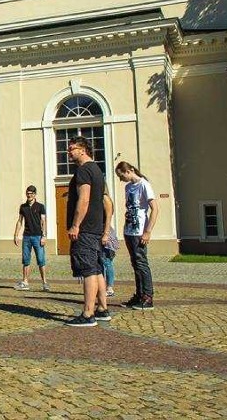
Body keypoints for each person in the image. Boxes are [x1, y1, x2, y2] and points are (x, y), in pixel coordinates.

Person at [65, 136, 111, 327]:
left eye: (72, 149)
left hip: (85, 230)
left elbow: (83, 200)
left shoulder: (84, 170)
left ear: (83, 150)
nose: (69, 152)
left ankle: (88, 313)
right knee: (97, 268)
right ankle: (102, 309)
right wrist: (105, 228)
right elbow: (108, 203)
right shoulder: (97, 170)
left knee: (88, 270)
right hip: (95, 228)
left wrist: (75, 225)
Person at [116, 161, 158, 311]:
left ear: (130, 170)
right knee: (135, 264)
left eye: (122, 176)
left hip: (140, 230)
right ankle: (139, 295)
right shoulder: (128, 187)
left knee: (141, 263)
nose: (121, 180)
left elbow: (155, 209)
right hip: (129, 230)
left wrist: (148, 231)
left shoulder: (144, 184)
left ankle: (147, 296)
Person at [13, 185, 49, 292]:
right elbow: (20, 221)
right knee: (26, 260)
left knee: (41, 260)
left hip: (38, 236)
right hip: (27, 236)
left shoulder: (40, 206)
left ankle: (45, 283)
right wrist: (16, 235)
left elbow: (43, 222)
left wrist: (44, 236)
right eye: (27, 193)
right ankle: (25, 282)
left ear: (35, 194)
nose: (29, 195)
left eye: (31, 193)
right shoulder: (23, 207)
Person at [101, 189, 118, 297]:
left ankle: (109, 287)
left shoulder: (105, 199)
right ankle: (102, 286)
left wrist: (106, 234)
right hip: (100, 231)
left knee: (107, 262)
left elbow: (108, 218)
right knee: (101, 262)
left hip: (106, 232)